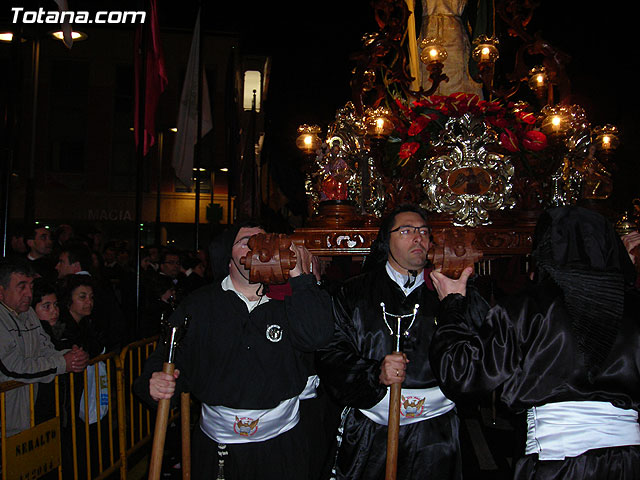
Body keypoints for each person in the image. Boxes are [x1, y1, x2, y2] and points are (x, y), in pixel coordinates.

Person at [429, 206, 640, 479]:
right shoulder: (634, 306)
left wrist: (452, 303)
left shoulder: (529, 307)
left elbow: (463, 374)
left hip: (560, 463)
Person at [134, 220, 334, 479]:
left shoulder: (293, 298)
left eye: (264, 241)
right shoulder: (200, 304)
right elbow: (168, 357)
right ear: (227, 258)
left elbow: (318, 339)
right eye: (245, 242)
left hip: (283, 444)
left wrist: (300, 279)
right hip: (217, 446)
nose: (257, 247)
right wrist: (155, 382)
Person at [316, 204, 487, 480]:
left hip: (435, 435)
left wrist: (458, 302)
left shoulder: (452, 290)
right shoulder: (354, 293)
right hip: (372, 432)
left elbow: (479, 353)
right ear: (387, 240)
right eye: (406, 231)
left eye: (423, 231)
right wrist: (375, 373)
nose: (418, 238)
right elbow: (331, 355)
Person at [0, 257, 88, 437]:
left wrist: (71, 356)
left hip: (24, 415)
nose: (29, 294)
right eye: (21, 287)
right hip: (5, 419)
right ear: (1, 291)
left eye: (31, 287)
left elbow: (45, 347)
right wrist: (63, 362)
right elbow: (12, 368)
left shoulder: (28, 313)